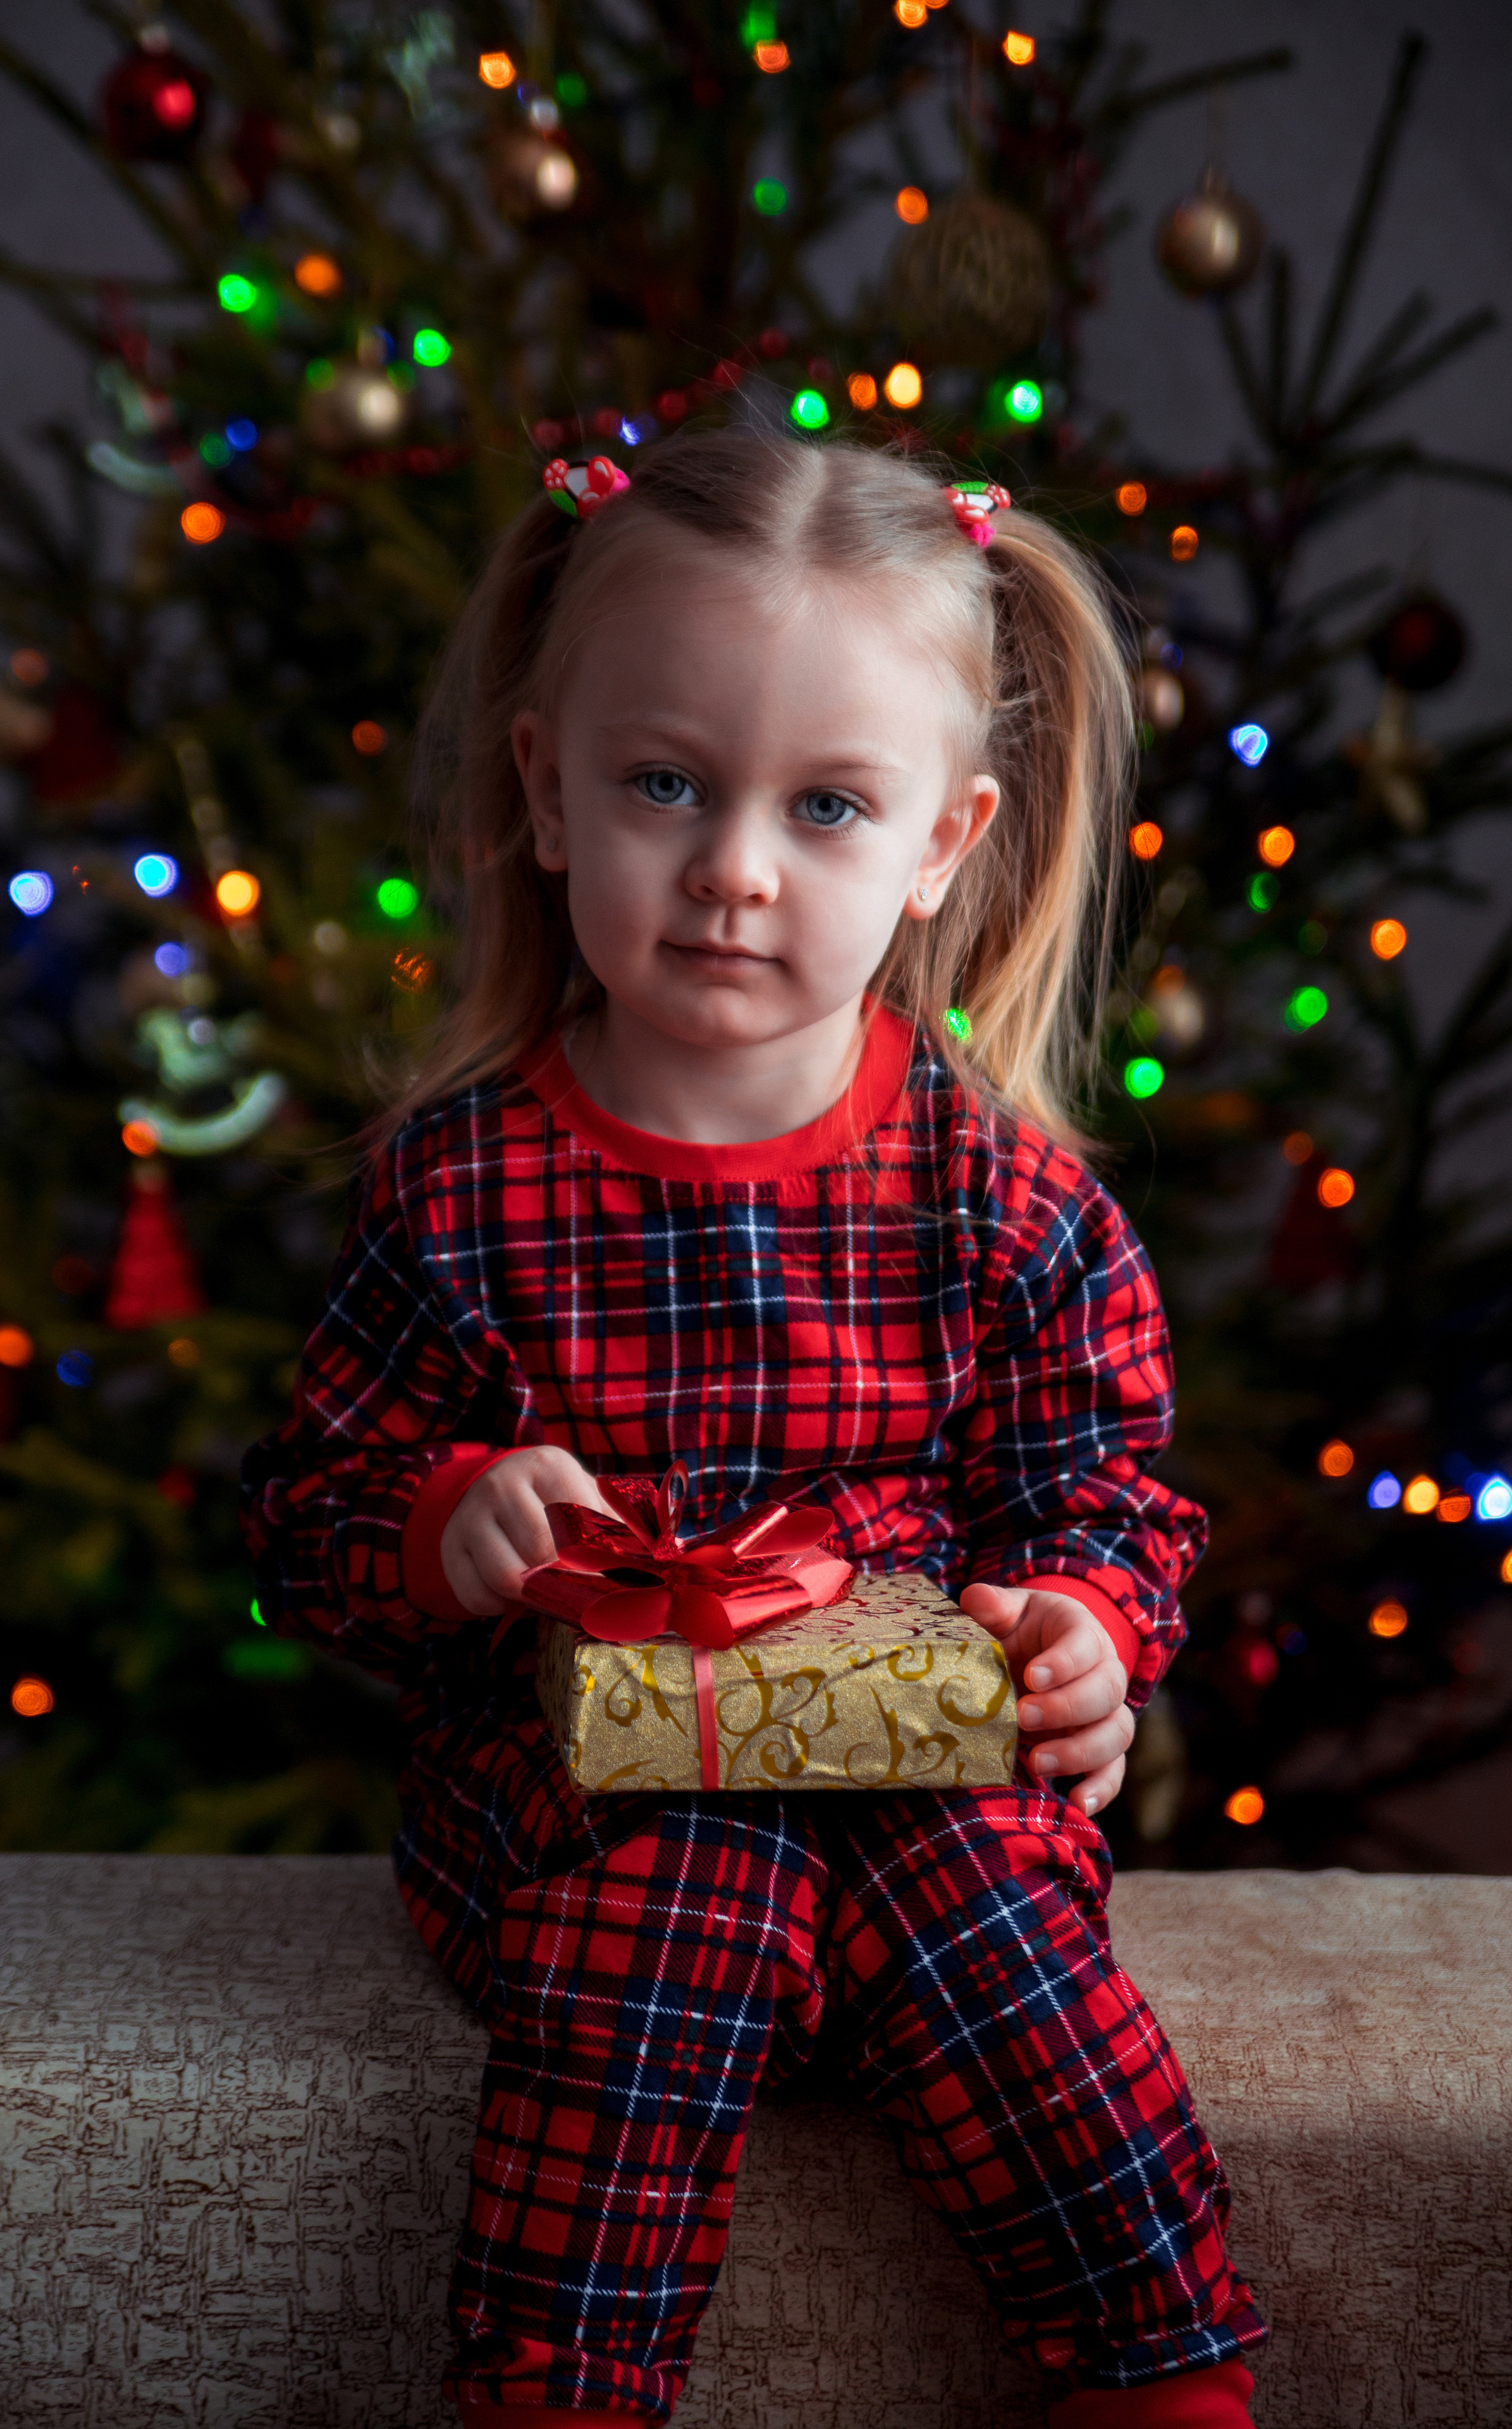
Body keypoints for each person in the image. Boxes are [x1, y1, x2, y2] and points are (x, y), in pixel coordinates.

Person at [242, 431, 1267, 2429]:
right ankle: (559, 2394)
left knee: (995, 1937)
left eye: (827, 808)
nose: (732, 867)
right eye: (664, 785)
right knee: (678, 1897)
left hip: (923, 1801)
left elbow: (1105, 1485)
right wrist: (446, 1520)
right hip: (576, 1802)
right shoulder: (462, 1193)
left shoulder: (1003, 1200)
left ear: (944, 845)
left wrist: (1077, 1623)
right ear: (546, 788)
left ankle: (1158, 2384)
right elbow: (307, 1514)